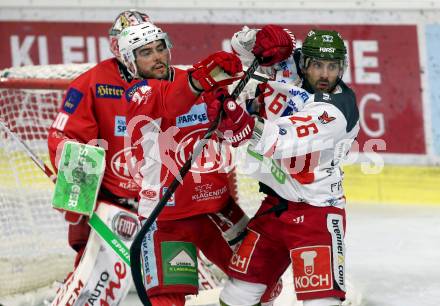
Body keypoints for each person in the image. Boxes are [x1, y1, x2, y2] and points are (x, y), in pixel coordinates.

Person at [46, 10, 244, 305]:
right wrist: (77, 193)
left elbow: (219, 131)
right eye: (142, 48)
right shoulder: (92, 83)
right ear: (122, 49)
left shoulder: (179, 78)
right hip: (119, 208)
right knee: (88, 296)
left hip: (183, 203)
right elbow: (66, 138)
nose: (154, 55)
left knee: (246, 281)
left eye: (157, 45)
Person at [122, 23, 294, 305]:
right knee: (166, 299)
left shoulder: (196, 77)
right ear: (131, 61)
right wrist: (200, 80)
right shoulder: (138, 93)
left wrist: (248, 48)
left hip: (218, 207)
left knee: (262, 284)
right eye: (145, 53)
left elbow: (240, 82)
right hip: (167, 216)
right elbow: (172, 103)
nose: (156, 57)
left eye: (160, 48)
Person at [204, 28, 359, 306]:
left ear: (343, 68)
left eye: (332, 67)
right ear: (303, 62)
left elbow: (279, 140)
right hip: (274, 209)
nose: (324, 75)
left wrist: (244, 123)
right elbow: (241, 47)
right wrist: (262, 38)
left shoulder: (336, 111)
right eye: (317, 65)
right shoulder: (289, 65)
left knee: (321, 303)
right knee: (237, 294)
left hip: (316, 215)